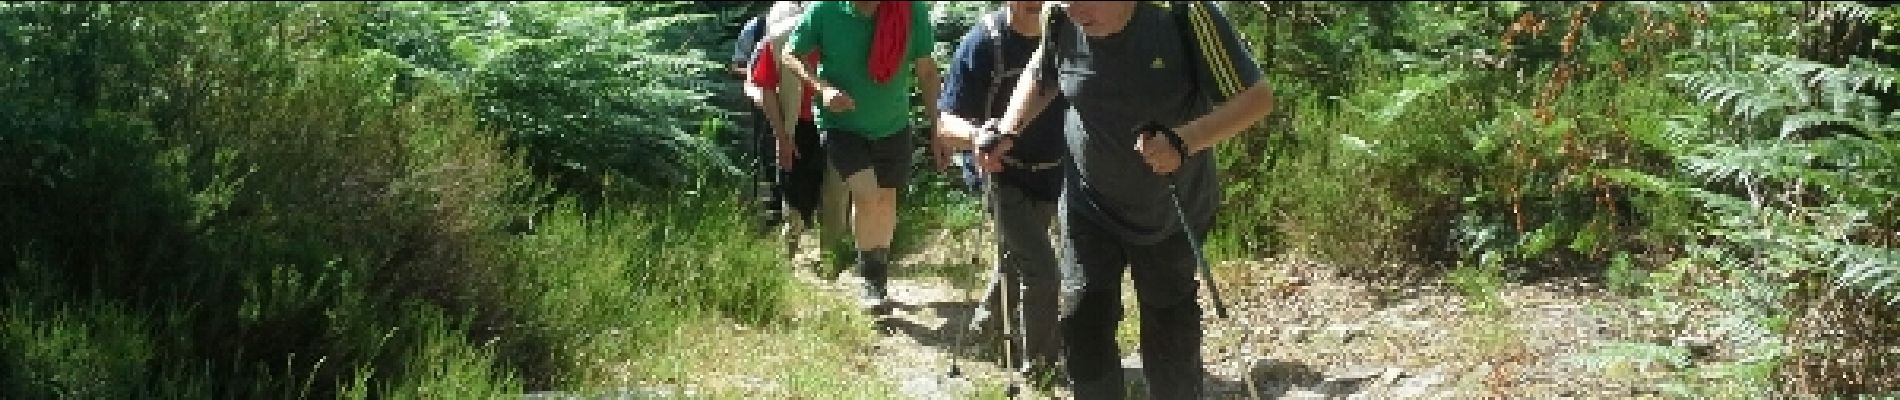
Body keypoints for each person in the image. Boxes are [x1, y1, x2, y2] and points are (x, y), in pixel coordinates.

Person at [970, 2, 1277, 398]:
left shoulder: (1182, 14)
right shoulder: (1060, 16)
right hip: (1088, 203)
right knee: (1083, 324)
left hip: (1171, 207)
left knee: (1170, 339)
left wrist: (1184, 142)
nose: (1075, 12)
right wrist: (1008, 130)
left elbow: (1257, 98)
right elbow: (1043, 72)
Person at [934, 0, 1067, 386]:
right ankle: (1041, 367)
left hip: (1051, 173)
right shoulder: (984, 42)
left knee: (1019, 258)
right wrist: (978, 137)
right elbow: (946, 124)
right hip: (999, 175)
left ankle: (986, 329)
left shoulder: (1067, 35)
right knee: (1041, 267)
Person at [782, 1, 940, 311]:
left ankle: (877, 277)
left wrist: (938, 126)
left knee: (886, 199)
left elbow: (926, 70)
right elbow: (790, 54)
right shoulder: (824, 10)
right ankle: (870, 284)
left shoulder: (909, 10)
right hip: (841, 125)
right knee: (867, 197)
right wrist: (821, 88)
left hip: (893, 124)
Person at [747, 2, 853, 263]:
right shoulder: (781, 40)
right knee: (793, 191)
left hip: (837, 123)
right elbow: (767, 88)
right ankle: (789, 254)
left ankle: (831, 259)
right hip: (797, 126)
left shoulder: (846, 38)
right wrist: (783, 136)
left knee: (836, 190)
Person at [732, 13, 784, 233]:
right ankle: (775, 209)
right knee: (768, 153)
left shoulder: (810, 19)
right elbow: (736, 66)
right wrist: (758, 76)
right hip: (763, 101)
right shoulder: (756, 26)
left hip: (801, 103)